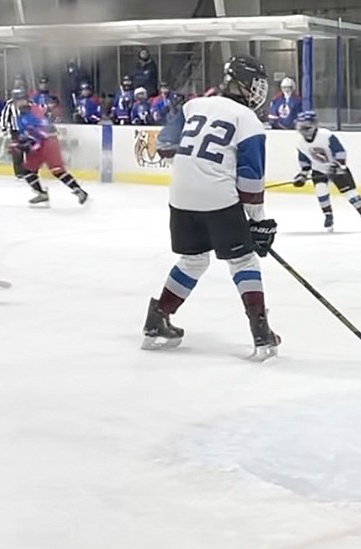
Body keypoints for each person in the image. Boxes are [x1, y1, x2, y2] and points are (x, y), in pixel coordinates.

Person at [142, 55, 280, 361]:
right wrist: (257, 222)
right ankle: (261, 334)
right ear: (241, 84)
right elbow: (251, 181)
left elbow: (165, 143)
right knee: (244, 261)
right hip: (218, 198)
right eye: (256, 85)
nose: (259, 92)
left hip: (180, 197)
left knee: (192, 260)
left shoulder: (193, 105)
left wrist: (195, 167)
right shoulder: (249, 121)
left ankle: (156, 320)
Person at [292, 111, 361, 232]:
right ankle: (328, 216)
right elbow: (305, 163)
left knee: (351, 195)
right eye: (300, 126)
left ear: (314, 125)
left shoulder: (326, 135)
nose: (303, 129)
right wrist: (302, 176)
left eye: (306, 126)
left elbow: (340, 152)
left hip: (337, 169)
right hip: (319, 170)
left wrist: (337, 165)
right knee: (321, 190)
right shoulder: (301, 144)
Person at [9, 94, 90, 207]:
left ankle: (79, 191)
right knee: (27, 170)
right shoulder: (19, 118)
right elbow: (25, 135)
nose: (20, 103)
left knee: (57, 170)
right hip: (38, 146)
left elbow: (42, 131)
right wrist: (18, 144)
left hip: (48, 142)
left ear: (28, 101)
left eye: (22, 100)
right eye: (18, 101)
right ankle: (42, 194)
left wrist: (24, 143)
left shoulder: (36, 111)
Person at [0, 88, 26, 179]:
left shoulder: (28, 103)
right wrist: (4, 128)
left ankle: (30, 170)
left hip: (28, 131)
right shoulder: (10, 104)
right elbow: (5, 116)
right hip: (15, 132)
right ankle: (19, 172)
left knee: (30, 151)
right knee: (17, 152)